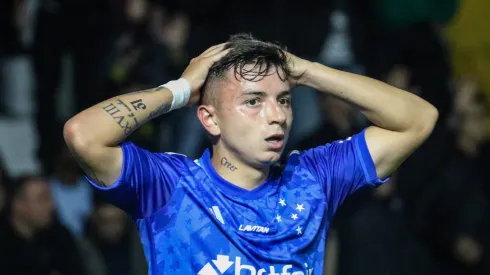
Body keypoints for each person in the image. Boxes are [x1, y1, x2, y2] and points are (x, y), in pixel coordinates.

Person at [63, 33, 438, 274]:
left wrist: (307, 71)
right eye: (253, 101)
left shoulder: (313, 178)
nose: (277, 116)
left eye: (285, 100)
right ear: (210, 120)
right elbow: (83, 135)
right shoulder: (170, 185)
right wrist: (180, 89)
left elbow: (418, 119)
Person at [0, 175, 84, 275]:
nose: (52, 205)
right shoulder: (3, 243)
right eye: (42, 199)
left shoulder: (60, 235)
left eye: (50, 198)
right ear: (18, 204)